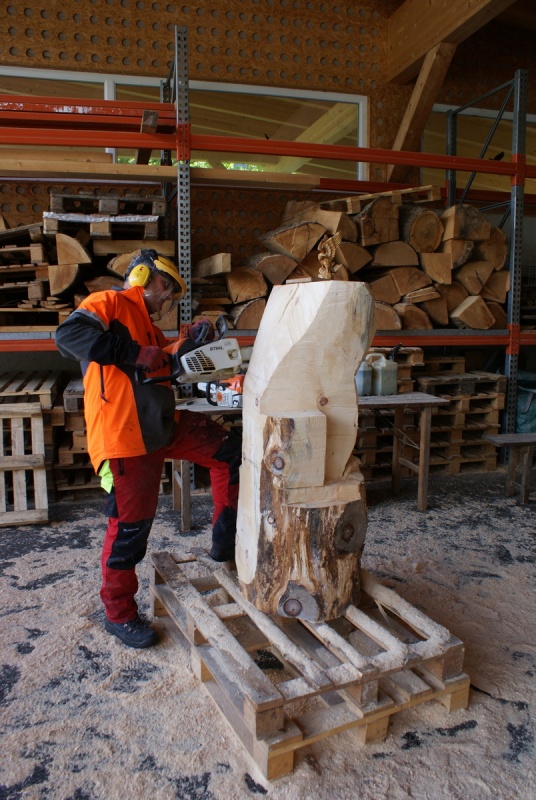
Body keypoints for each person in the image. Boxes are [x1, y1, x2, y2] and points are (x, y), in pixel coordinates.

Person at [55, 250, 240, 649]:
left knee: (228, 450)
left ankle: (225, 542)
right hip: (125, 435)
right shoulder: (109, 303)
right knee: (129, 529)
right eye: (166, 285)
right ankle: (118, 614)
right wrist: (134, 353)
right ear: (142, 276)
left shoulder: (151, 330)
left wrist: (189, 343)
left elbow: (164, 363)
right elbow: (68, 336)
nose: (168, 296)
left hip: (161, 425)